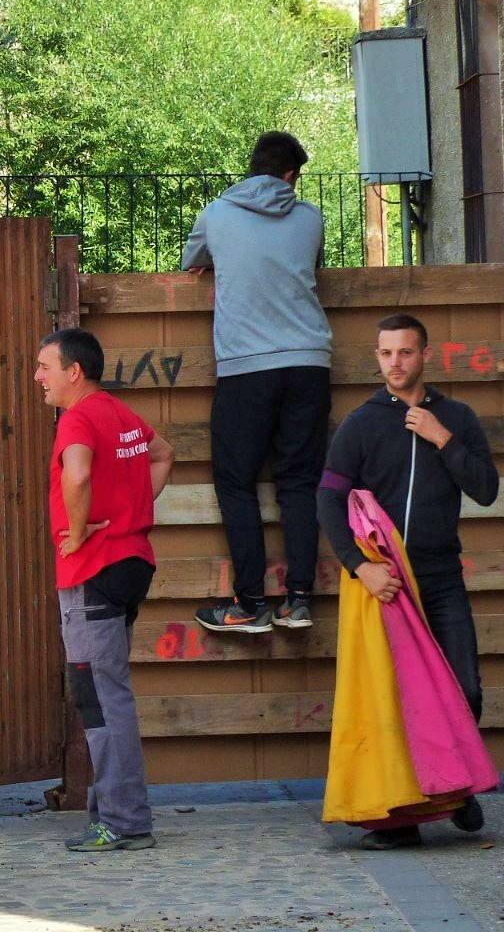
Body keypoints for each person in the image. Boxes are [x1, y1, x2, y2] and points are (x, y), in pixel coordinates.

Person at [317, 313, 499, 851]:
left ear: (425, 355)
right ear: (377, 358)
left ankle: (458, 790)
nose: (395, 362)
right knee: (392, 702)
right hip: (387, 585)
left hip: (441, 577)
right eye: (385, 353)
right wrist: (360, 566)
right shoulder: (360, 424)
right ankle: (401, 821)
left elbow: (486, 490)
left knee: (464, 688)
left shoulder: (458, 418)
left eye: (405, 352)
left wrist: (443, 438)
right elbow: (327, 499)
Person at [183, 131, 332, 636]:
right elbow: (311, 264)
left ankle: (249, 603)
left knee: (235, 481)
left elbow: (191, 260)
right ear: (290, 176)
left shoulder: (216, 214)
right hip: (310, 364)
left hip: (246, 367)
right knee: (299, 482)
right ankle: (298, 601)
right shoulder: (310, 218)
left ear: (252, 168)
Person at [35, 327, 174, 853]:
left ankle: (124, 821)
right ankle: (114, 813)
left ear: (74, 371)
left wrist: (76, 529)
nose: (38, 378)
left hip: (93, 569)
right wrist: (133, 513)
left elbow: (77, 474)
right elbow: (164, 454)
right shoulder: (121, 415)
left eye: (44, 367)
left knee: (99, 697)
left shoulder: (77, 418)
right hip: (131, 563)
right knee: (107, 691)